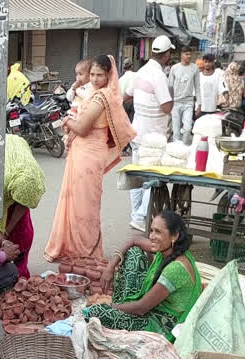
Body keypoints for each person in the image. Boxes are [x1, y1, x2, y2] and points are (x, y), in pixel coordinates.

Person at [45, 55, 136, 262]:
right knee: (75, 201)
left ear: (108, 75)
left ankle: (86, 252)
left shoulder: (101, 97)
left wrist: (67, 119)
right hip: (83, 152)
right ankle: (74, 249)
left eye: (100, 75)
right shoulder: (95, 93)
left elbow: (83, 128)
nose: (95, 79)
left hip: (89, 154)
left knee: (85, 205)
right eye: (92, 74)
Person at [85, 211, 202, 341]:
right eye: (151, 231)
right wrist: (110, 267)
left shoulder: (175, 269)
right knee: (134, 253)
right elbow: (134, 240)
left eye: (158, 232)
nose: (152, 236)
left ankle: (118, 306)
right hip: (148, 307)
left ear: (174, 236)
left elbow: (141, 308)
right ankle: (121, 304)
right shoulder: (166, 249)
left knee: (96, 312)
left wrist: (108, 305)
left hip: (161, 325)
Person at [125, 36, 174, 233]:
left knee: (138, 175)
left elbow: (127, 95)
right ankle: (140, 216)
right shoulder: (159, 76)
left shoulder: (140, 72)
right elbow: (166, 106)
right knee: (151, 177)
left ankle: (135, 213)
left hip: (137, 132)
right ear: (167, 55)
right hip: (153, 137)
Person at [0, 134, 45, 278]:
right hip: (2, 183)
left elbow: (24, 203)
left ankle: (20, 273)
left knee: (22, 236)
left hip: (18, 159)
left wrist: (8, 230)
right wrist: (1, 238)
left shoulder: (34, 177)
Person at [169, 46, 200, 144]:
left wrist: (199, 104)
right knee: (176, 131)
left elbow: (197, 87)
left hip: (188, 102)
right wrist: (169, 103)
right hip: (176, 102)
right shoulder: (174, 68)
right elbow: (170, 86)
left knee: (187, 129)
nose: (189, 56)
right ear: (181, 55)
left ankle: (185, 150)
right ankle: (175, 152)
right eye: (186, 54)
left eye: (190, 54)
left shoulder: (195, 68)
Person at [119, 57, 135, 123]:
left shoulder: (120, 80)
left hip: (123, 104)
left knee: (125, 123)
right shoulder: (136, 76)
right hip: (133, 103)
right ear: (132, 66)